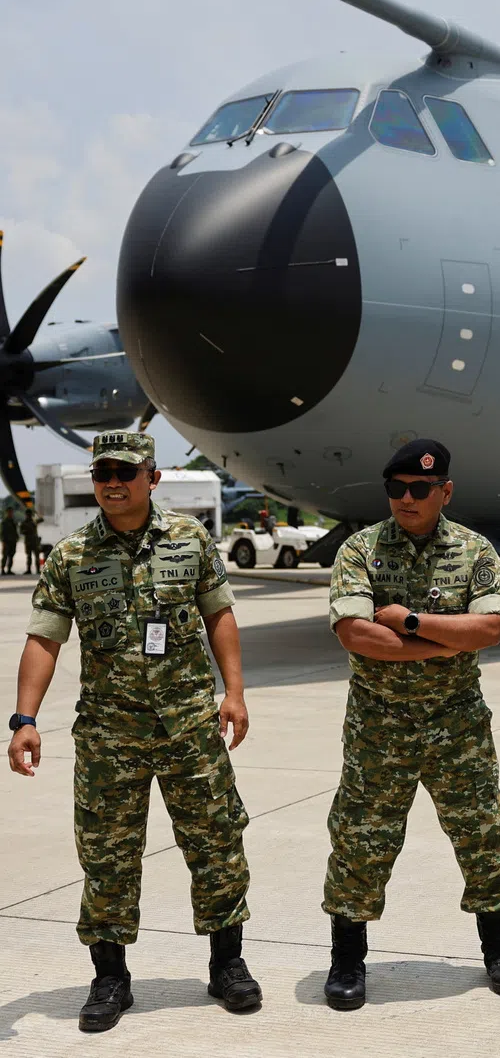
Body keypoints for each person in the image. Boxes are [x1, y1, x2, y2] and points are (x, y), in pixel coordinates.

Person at [6, 432, 260, 1032]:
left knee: (216, 843)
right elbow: (44, 637)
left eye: (125, 471)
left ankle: (228, 965)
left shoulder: (190, 539)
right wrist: (24, 719)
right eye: (102, 474)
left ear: (152, 476)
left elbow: (218, 613)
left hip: (190, 727)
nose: (112, 483)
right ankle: (110, 977)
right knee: (107, 855)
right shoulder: (70, 555)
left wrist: (236, 692)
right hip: (109, 734)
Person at [322, 438, 500, 1008]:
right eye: (396, 489)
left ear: (445, 491)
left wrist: (410, 622)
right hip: (377, 727)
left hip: (456, 725)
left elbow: (490, 629)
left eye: (419, 489)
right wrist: (442, 642)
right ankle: (347, 959)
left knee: (483, 834)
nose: (406, 499)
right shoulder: (360, 550)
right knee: (361, 842)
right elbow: (356, 634)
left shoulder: (474, 550)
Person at [20, 505, 40, 574]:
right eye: (28, 514)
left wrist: (36, 513)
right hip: (29, 541)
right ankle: (29, 570)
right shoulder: (24, 523)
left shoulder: (34, 521)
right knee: (29, 556)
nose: (28, 516)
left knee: (36, 556)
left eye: (30, 514)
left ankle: (37, 570)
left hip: (34, 541)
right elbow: (21, 532)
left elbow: (42, 519)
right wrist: (27, 531)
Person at [1, 506, 17, 575]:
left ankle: (9, 570)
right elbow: (2, 532)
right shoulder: (5, 522)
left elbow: (15, 531)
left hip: (13, 542)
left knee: (11, 556)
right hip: (7, 541)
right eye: (9, 512)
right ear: (7, 513)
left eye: (11, 512)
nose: (10, 513)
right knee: (5, 556)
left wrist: (16, 538)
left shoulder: (13, 521)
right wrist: (3, 541)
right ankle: (2, 569)